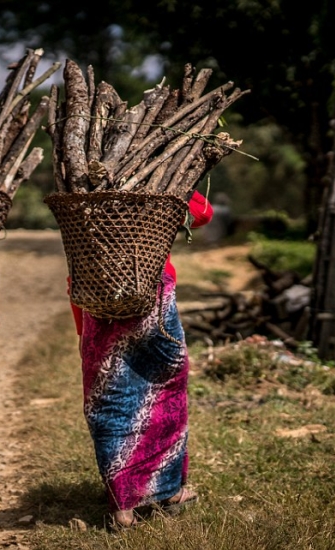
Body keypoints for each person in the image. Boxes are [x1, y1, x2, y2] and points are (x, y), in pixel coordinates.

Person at [68, 190, 212, 529]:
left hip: (94, 288)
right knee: (164, 390)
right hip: (150, 286)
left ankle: (123, 508)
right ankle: (168, 490)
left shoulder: (81, 186)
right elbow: (203, 214)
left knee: (110, 397)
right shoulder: (160, 180)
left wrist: (80, 332)